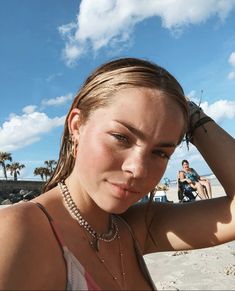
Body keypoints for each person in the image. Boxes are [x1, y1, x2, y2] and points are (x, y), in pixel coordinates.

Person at [0, 57, 234, 290]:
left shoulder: (134, 228)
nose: (138, 169)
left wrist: (192, 116)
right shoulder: (18, 232)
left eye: (161, 153)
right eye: (121, 137)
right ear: (76, 126)